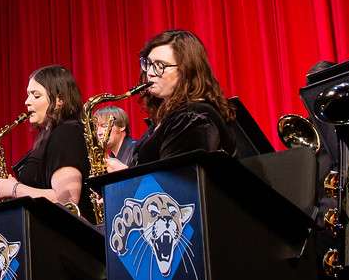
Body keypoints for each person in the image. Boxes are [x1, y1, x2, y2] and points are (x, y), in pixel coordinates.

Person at [132, 29, 262, 164]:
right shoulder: (167, 117)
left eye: (160, 65)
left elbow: (178, 179)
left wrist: (126, 177)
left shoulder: (193, 117)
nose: (150, 73)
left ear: (186, 70)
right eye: (148, 64)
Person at [0, 65, 90, 215]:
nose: (27, 102)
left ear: (59, 100)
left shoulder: (66, 134)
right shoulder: (51, 135)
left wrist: (14, 189)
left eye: (36, 95)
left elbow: (67, 201)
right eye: (28, 94)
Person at [95, 104, 134, 172]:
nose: (99, 133)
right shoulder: (112, 157)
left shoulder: (137, 151)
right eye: (96, 128)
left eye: (104, 125)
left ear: (122, 126)